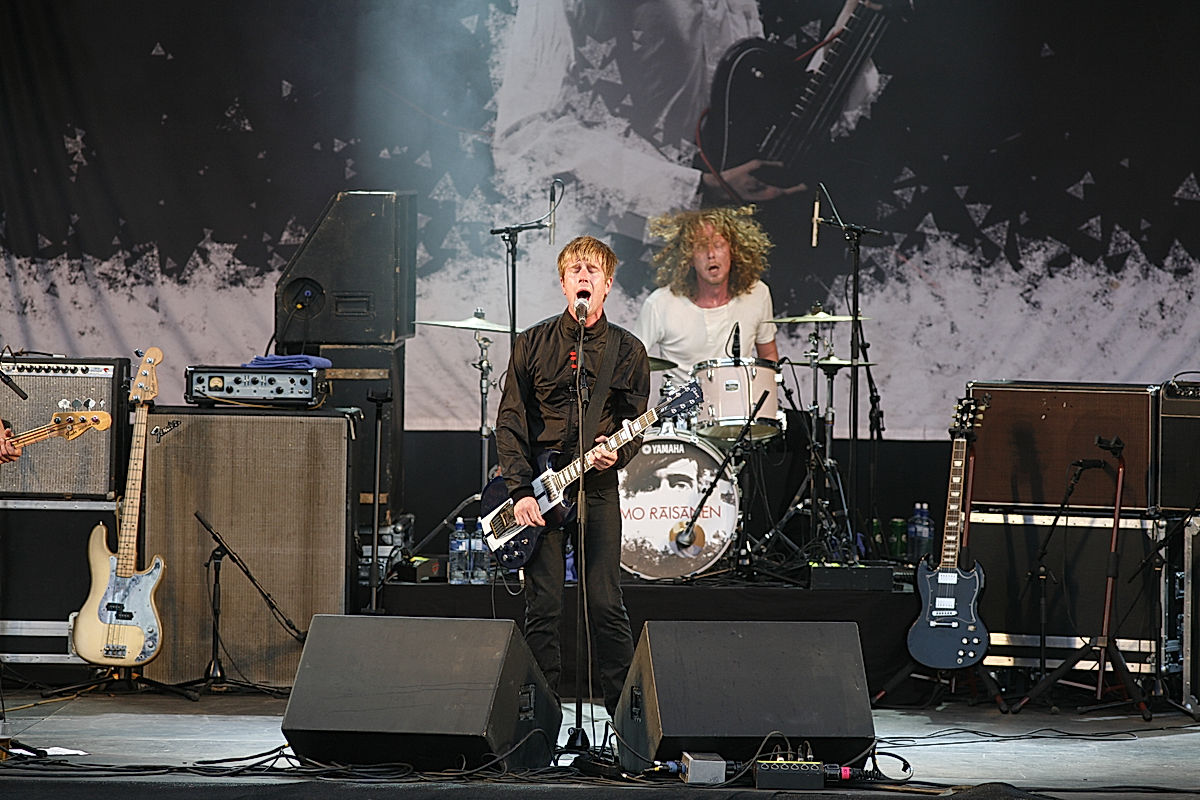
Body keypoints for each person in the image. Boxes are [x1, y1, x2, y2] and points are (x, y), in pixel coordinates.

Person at [494, 235, 651, 717]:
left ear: (608, 284)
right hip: (538, 496)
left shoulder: (629, 350)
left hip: (596, 489)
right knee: (543, 608)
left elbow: (634, 425)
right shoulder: (532, 343)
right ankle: (538, 723)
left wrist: (615, 454)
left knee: (605, 604)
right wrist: (520, 490)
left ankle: (628, 725)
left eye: (593, 270)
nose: (584, 276)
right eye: (575, 270)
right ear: (563, 284)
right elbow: (511, 421)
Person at [635, 205, 779, 385]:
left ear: (733, 251)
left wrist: (766, 396)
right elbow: (629, 363)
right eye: (702, 247)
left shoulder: (758, 293)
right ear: (689, 258)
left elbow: (768, 355)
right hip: (682, 402)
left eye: (718, 245)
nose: (711, 254)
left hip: (740, 401)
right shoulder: (659, 304)